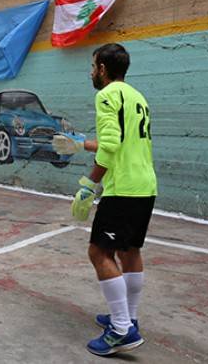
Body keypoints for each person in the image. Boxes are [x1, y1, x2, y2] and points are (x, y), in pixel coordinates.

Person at [53, 43, 157, 356]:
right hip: (145, 184)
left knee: (99, 252)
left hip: (122, 188)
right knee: (130, 250)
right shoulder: (137, 96)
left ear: (102, 69)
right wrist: (82, 144)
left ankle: (121, 330)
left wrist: (88, 184)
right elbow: (120, 140)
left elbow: (111, 147)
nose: (91, 72)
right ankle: (130, 319)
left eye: (92, 66)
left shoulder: (106, 95)